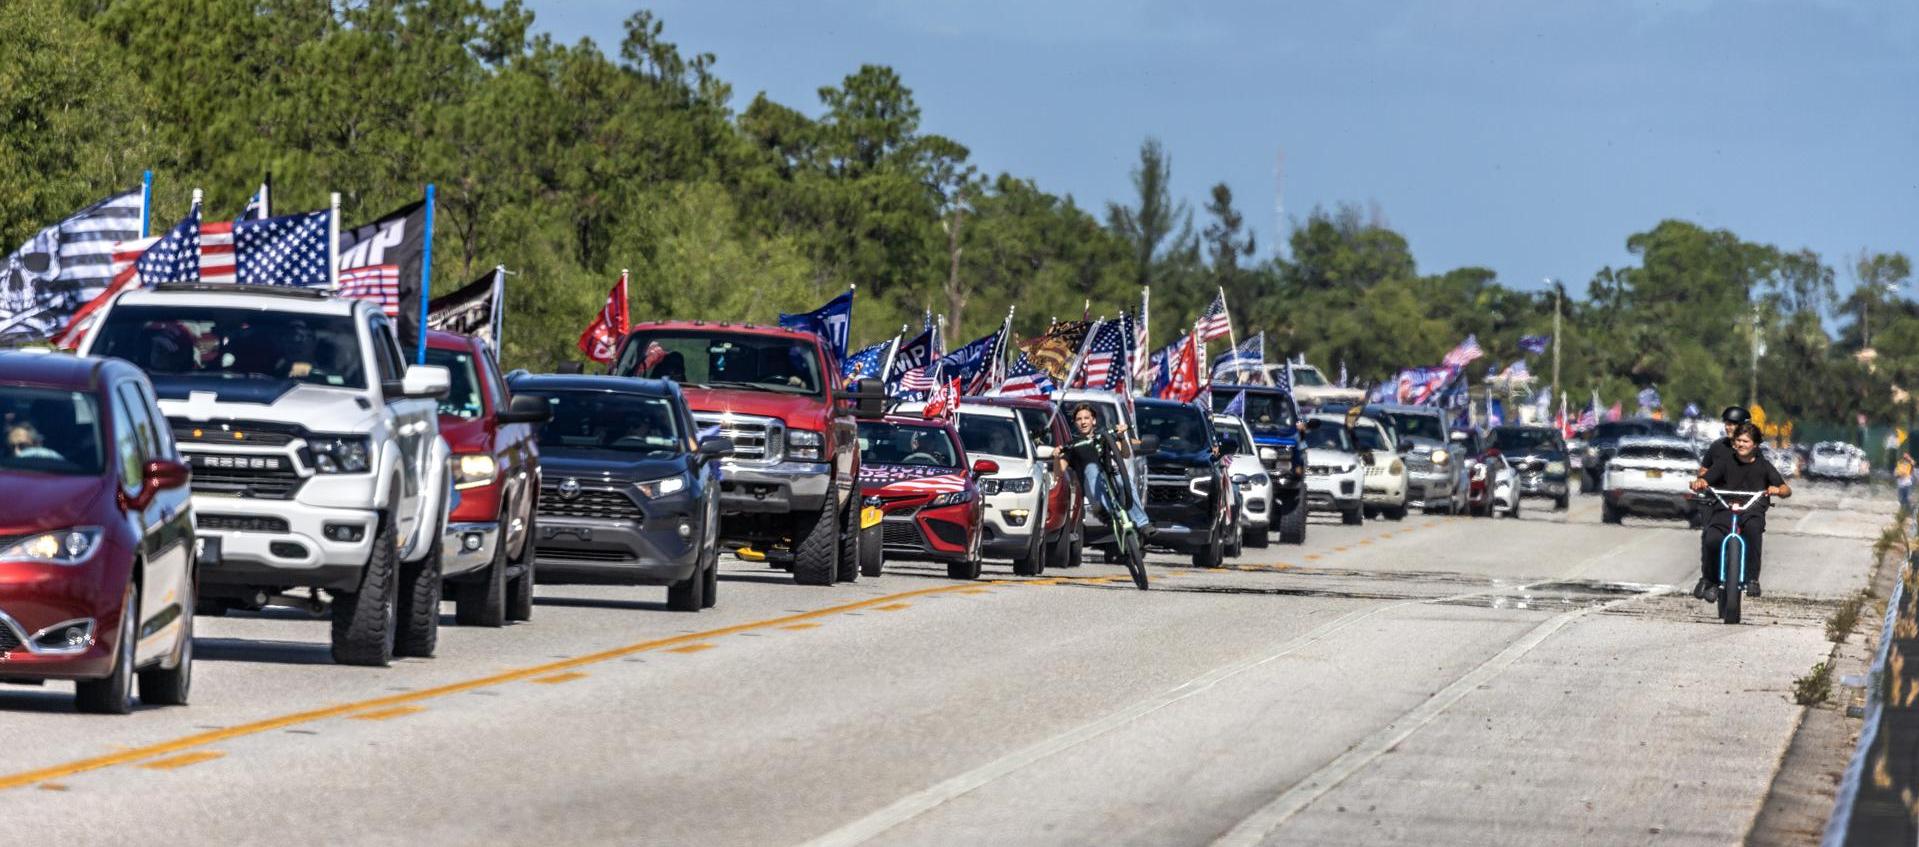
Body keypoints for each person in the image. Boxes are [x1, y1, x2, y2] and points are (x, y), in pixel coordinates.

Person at [1689, 421, 1790, 600]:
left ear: (1755, 445)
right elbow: (1707, 479)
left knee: (1753, 531)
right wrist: (1700, 483)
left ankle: (1752, 579)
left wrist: (1778, 490)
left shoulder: (1764, 466)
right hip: (1725, 508)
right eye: (1739, 441)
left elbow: (1785, 488)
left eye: (1746, 441)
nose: (1741, 445)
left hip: (1752, 510)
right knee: (1712, 539)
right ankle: (1711, 580)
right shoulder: (1724, 463)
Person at [1064, 403, 1150, 534]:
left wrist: (1121, 438)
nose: (1083, 422)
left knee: (1123, 480)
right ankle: (1107, 513)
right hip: (1090, 487)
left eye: (1086, 418)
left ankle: (1143, 524)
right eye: (1079, 419)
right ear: (1075, 423)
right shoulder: (1072, 444)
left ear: (1094, 420)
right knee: (1091, 468)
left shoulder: (1104, 436)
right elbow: (1060, 471)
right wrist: (1056, 456)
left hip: (1109, 476)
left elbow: (1125, 454)